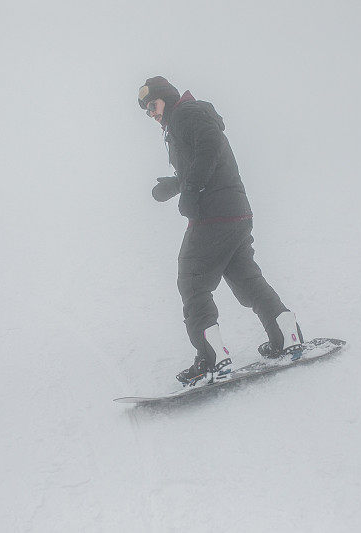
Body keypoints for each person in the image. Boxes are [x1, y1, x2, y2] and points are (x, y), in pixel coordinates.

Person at [138, 76, 304, 386]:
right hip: (234, 213)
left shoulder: (186, 113)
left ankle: (211, 360)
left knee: (192, 281)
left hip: (214, 217)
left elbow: (210, 147)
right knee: (245, 279)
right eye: (147, 112)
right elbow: (204, 158)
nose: (152, 114)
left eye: (153, 105)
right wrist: (176, 185)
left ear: (166, 98)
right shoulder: (185, 118)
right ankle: (286, 333)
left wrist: (191, 189)